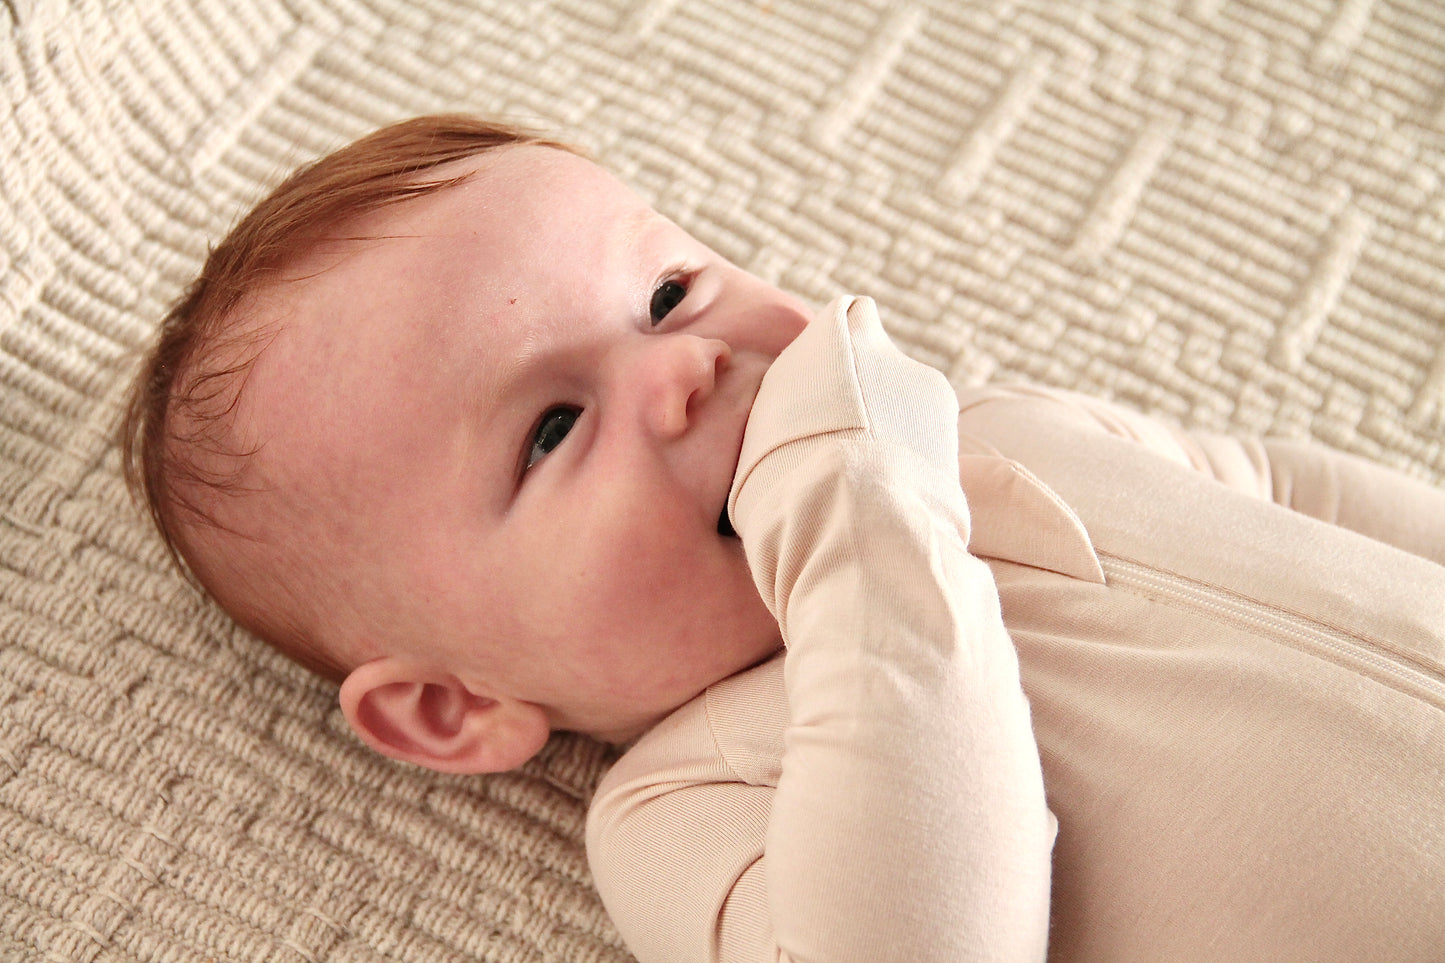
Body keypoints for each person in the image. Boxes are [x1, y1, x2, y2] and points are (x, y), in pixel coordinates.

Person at [121, 114, 1445, 962]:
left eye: (666, 291)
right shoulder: (690, 799)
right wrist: (859, 518)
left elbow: (1284, 489)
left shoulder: (1003, 425)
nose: (682, 370)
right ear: (456, 706)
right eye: (549, 431)